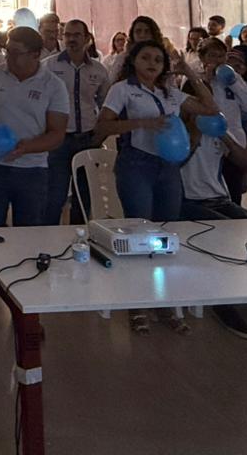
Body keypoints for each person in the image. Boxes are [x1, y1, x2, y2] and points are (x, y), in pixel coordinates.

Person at [96, 39, 217, 335]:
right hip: (137, 164)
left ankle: (165, 303)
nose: (152, 64)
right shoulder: (122, 89)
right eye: (146, 58)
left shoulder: (170, 92)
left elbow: (210, 109)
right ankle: (137, 304)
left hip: (168, 167)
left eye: (158, 60)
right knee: (140, 233)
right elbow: (103, 126)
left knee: (166, 234)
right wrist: (142, 123)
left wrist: (189, 72)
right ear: (133, 61)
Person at [0, 27, 68, 321]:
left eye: (16, 52)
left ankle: (27, 308)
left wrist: (25, 148)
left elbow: (57, 133)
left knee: (28, 238)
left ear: (35, 55)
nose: (8, 57)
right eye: (8, 50)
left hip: (32, 172)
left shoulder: (53, 85)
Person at [177, 74, 247, 341]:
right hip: (185, 202)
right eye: (198, 101)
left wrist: (229, 141)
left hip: (219, 199)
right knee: (222, 231)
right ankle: (222, 300)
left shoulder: (217, 130)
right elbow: (172, 166)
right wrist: (194, 135)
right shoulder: (174, 130)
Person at [43, 19, 111, 224]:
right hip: (58, 139)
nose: (71, 39)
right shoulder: (48, 66)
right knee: (55, 195)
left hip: (88, 139)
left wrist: (100, 135)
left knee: (84, 196)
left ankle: (79, 236)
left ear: (87, 38)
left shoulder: (99, 70)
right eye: (67, 35)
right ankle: (48, 236)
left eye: (76, 35)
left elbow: (106, 104)